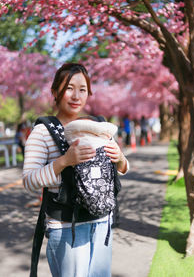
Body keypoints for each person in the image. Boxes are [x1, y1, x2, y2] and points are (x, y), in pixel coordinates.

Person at [23, 63, 129, 277]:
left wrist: (120, 158)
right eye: (69, 88)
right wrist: (64, 161)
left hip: (101, 222)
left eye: (82, 89)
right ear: (55, 92)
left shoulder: (98, 127)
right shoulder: (42, 132)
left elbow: (119, 170)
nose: (76, 96)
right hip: (65, 227)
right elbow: (29, 181)